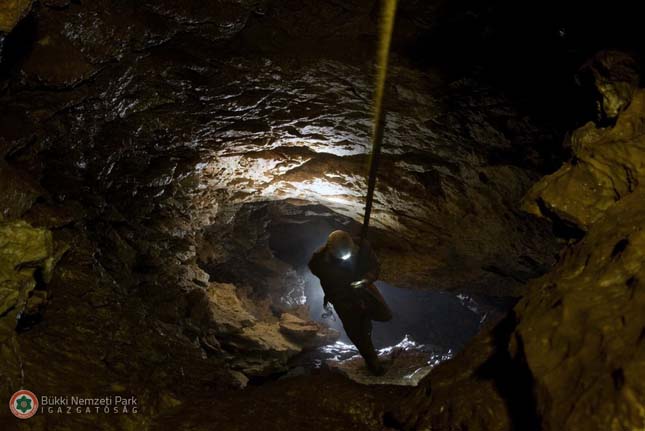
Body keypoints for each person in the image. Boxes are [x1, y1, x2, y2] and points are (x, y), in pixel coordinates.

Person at [308, 230, 392, 375]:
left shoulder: (363, 247)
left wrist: (365, 279)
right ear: (330, 251)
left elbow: (374, 267)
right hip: (343, 298)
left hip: (363, 289)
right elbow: (327, 277)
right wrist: (346, 280)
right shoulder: (319, 261)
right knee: (358, 333)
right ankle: (373, 364)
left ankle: (365, 319)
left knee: (385, 314)